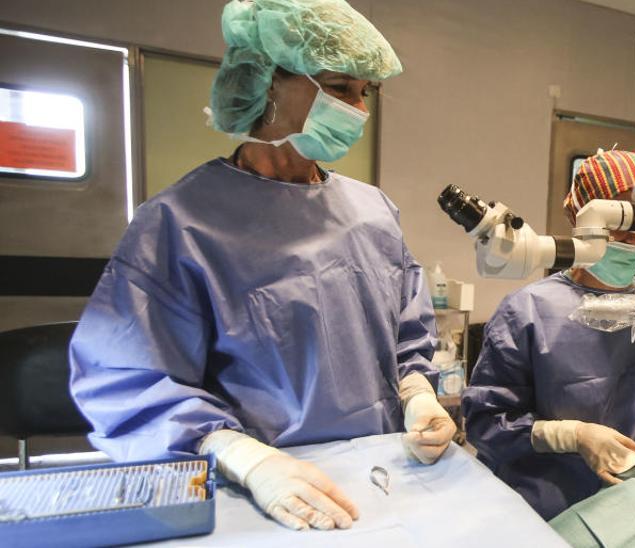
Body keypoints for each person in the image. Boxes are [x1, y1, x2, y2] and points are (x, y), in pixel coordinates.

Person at [68, 0, 454, 532]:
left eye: (365, 93)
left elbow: (407, 335)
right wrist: (247, 460)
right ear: (268, 83)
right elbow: (128, 379)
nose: (358, 110)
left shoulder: (373, 212)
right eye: (340, 88)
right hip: (259, 494)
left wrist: (418, 395)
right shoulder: (180, 222)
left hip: (383, 472)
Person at [462, 150, 635, 520]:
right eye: (624, 218)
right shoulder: (527, 312)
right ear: (582, 218)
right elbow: (485, 423)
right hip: (544, 515)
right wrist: (573, 436)